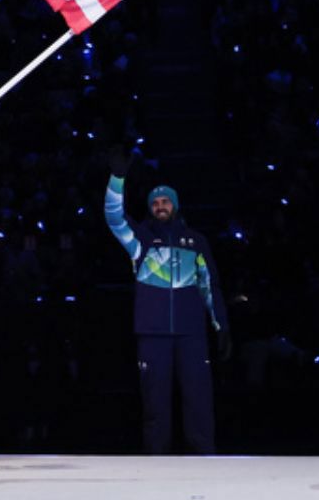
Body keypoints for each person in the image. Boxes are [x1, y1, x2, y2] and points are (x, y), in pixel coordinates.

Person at [105, 148, 231, 454]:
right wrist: (117, 179)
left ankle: (205, 461)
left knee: (199, 401)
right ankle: (156, 466)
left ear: (174, 205)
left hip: (191, 334)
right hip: (153, 334)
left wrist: (221, 326)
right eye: (156, 203)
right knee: (155, 406)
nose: (161, 206)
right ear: (151, 208)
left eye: (166, 202)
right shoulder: (141, 242)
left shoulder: (196, 241)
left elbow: (209, 286)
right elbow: (113, 217)